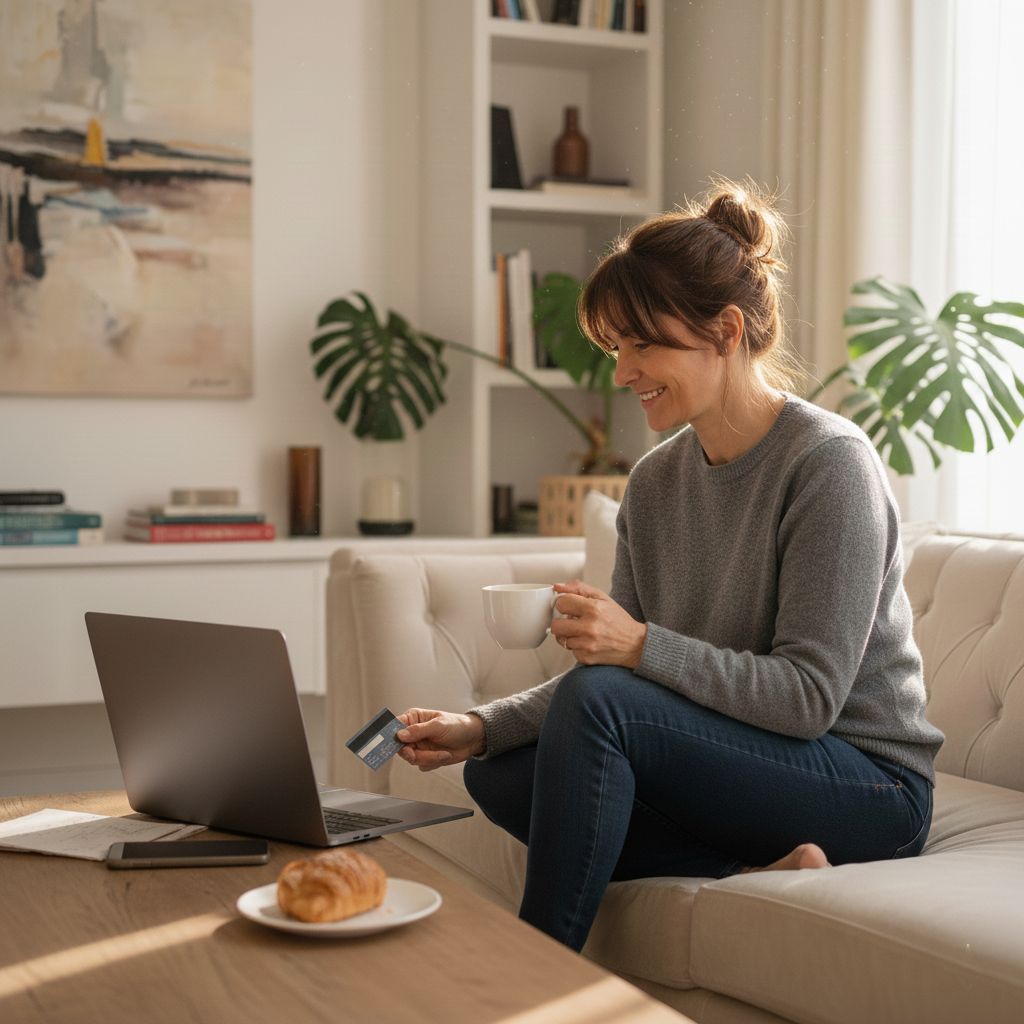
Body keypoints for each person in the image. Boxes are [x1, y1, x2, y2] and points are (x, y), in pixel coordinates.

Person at [395, 180, 945, 954]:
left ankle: (537, 971)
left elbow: (809, 699)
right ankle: (749, 864)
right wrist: (480, 727)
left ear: (725, 332)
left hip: (866, 786)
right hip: (748, 768)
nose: (622, 372)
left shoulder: (828, 465)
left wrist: (640, 645)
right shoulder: (655, 483)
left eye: (643, 344)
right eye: (616, 346)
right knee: (500, 772)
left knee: (591, 709)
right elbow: (614, 683)